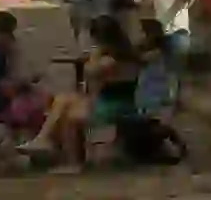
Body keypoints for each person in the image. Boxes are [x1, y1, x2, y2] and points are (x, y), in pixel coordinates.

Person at [0, 12, 82, 172]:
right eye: (11, 35)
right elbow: (7, 90)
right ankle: (49, 154)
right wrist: (27, 82)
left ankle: (42, 150)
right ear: (2, 33)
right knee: (49, 108)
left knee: (46, 102)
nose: (13, 40)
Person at [17, 15, 143, 171]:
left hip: (113, 106)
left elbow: (90, 72)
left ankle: (68, 160)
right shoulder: (127, 55)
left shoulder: (109, 60)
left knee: (68, 111)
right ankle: (45, 141)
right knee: (64, 101)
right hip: (118, 102)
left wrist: (95, 55)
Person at [150, 0, 194, 104]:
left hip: (179, 31)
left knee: (178, 68)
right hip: (163, 33)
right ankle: (171, 99)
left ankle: (178, 99)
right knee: (167, 69)